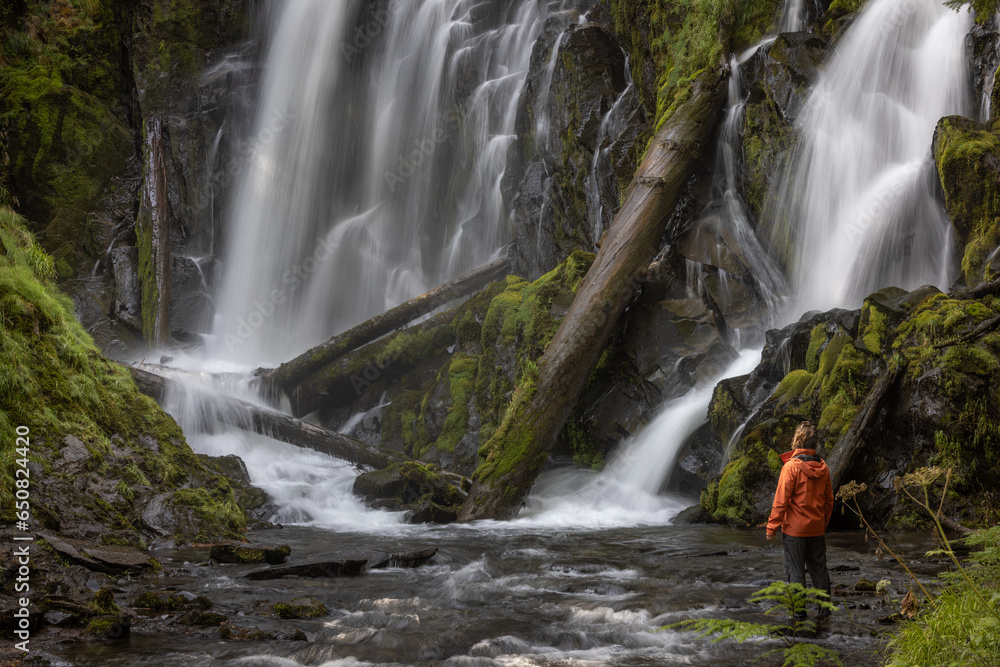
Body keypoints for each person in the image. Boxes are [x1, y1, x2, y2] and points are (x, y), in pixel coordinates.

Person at [766, 420, 833, 620]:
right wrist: (823, 523)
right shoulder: (824, 467)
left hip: (795, 531)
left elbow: (781, 500)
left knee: (795, 571)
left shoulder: (791, 468)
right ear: (815, 443)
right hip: (816, 529)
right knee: (819, 570)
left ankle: (799, 613)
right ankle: (824, 612)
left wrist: (772, 527)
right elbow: (829, 500)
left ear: (797, 441)